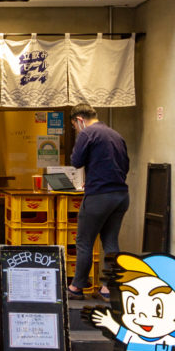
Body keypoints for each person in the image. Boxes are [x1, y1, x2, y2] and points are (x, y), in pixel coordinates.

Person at [67, 103, 129, 300]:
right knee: (110, 241)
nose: (76, 130)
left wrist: (96, 182)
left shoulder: (87, 134)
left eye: (74, 126)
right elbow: (125, 165)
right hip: (120, 195)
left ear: (79, 120)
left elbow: (76, 162)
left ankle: (77, 287)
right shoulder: (115, 134)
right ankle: (108, 288)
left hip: (99, 196)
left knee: (84, 241)